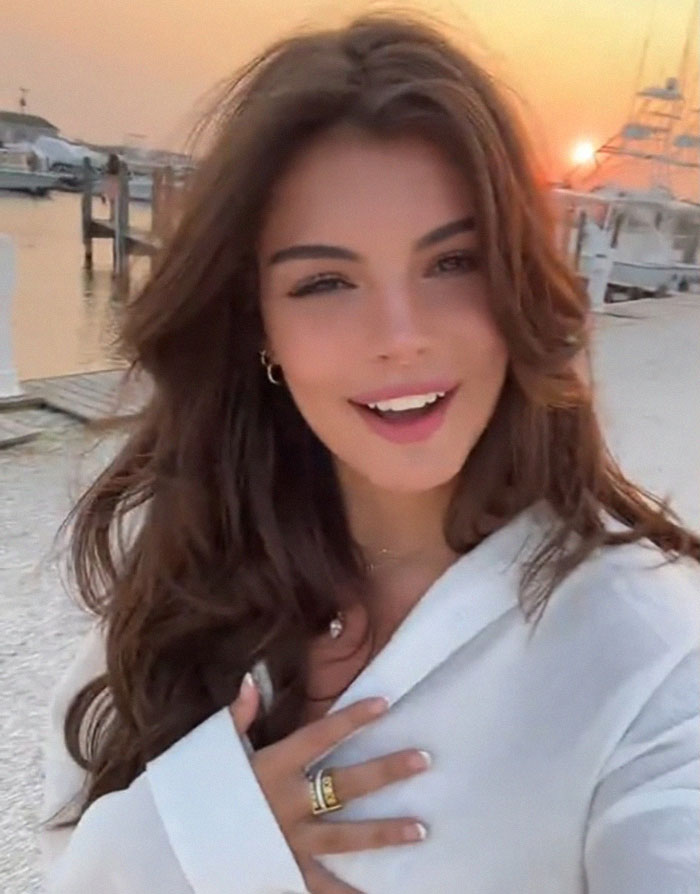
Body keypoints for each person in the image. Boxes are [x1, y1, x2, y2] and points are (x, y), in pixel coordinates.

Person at [40, 14, 699, 894]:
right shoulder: (177, 559)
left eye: (453, 263)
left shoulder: (645, 649)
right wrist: (190, 839)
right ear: (258, 324)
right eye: (325, 282)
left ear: (517, 283)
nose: (400, 338)